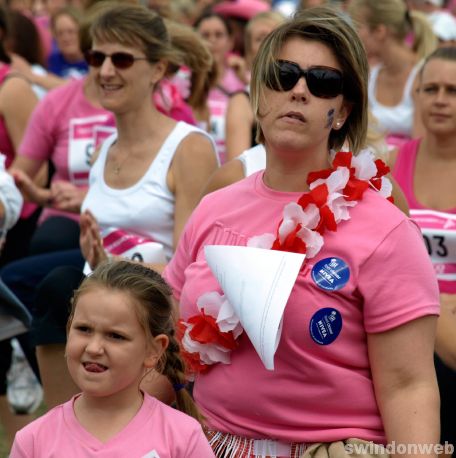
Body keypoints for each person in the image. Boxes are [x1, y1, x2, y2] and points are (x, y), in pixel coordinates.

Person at [163, 7, 440, 456]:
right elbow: (168, 343)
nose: (298, 90)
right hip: (209, 444)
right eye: (283, 74)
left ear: (343, 110)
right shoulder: (214, 208)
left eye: (322, 82)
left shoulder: (385, 228)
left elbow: (409, 386)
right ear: (259, 93)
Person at [28, 2, 218, 410]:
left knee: (56, 281)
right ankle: (56, 426)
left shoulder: (188, 148)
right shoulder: (105, 151)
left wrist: (114, 262)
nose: (106, 71)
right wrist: (98, 259)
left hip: (156, 326)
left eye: (122, 58)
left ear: (158, 69)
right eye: (97, 57)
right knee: (44, 283)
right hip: (101, 314)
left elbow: (194, 274)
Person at [10, 260, 215, 457]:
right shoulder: (33, 441)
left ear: (154, 350)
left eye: (116, 336)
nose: (94, 348)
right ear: (68, 329)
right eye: (84, 329)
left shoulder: (183, 437)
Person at [391, 45, 456, 453]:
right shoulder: (390, 163)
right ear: (415, 95)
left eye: (452, 90)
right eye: (430, 88)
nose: (441, 100)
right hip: (403, 336)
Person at [348, 0, 437, 148]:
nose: (354, 35)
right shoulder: (370, 76)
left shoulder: (423, 77)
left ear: (379, 32)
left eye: (357, 27)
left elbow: (420, 149)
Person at [225, 11, 285, 161]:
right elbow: (238, 171)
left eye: (275, 36)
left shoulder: (302, 92)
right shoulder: (242, 102)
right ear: (249, 50)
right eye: (260, 38)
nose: (268, 44)